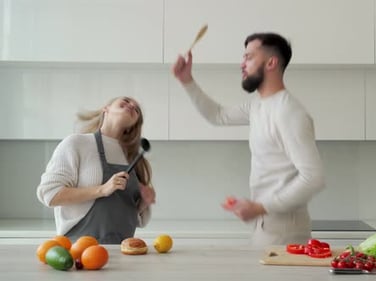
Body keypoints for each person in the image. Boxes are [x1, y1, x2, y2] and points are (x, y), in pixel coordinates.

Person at [172, 32, 325, 246]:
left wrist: (260, 207)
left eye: (249, 57)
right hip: (266, 227)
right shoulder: (258, 106)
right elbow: (218, 115)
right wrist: (187, 80)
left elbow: (314, 177)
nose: (242, 64)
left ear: (271, 62)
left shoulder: (289, 112)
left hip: (285, 234)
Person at [36, 97, 156, 244]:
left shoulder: (134, 158)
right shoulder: (76, 143)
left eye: (136, 109)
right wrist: (102, 190)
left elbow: (135, 219)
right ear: (106, 108)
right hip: (79, 252)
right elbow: (49, 194)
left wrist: (144, 202)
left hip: (122, 253)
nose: (131, 105)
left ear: (134, 125)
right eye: (125, 101)